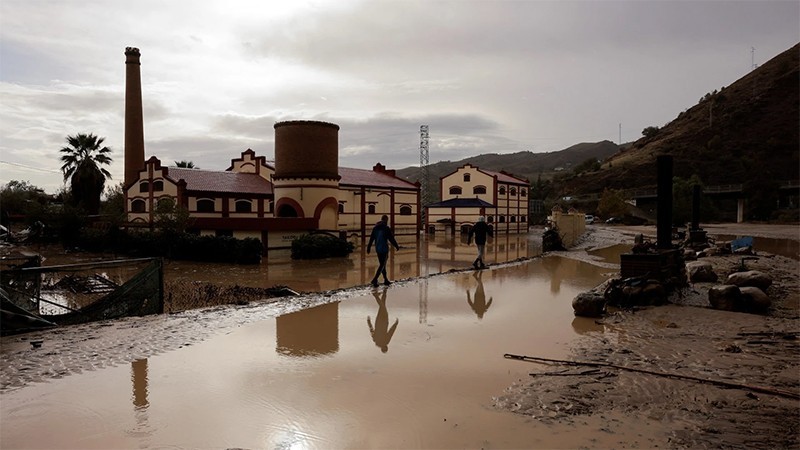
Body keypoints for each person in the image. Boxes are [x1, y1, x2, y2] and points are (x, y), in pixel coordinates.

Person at [366, 215, 400, 286]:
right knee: (382, 265)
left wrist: (368, 247)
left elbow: (372, 238)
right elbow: (391, 239)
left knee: (382, 265)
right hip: (384, 249)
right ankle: (375, 279)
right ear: (386, 220)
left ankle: (386, 280)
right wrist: (396, 246)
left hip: (378, 249)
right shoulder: (386, 228)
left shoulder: (375, 228)